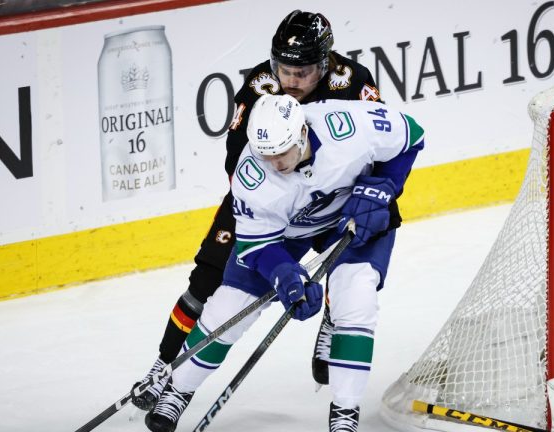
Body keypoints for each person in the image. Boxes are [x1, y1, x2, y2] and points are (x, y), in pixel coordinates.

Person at [131, 9, 386, 411]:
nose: (291, 81)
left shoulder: (353, 82)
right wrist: (269, 197)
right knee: (208, 280)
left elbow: (377, 143)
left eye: (302, 72)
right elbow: (236, 158)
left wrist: (366, 193)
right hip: (267, 203)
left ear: (324, 63)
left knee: (357, 256)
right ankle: (166, 366)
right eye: (285, 70)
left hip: (331, 200)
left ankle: (334, 318)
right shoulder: (259, 85)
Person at [144, 94, 424, 432]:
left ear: (302, 132)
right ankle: (178, 390)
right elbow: (257, 244)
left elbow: (412, 135)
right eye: (267, 154)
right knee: (228, 310)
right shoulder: (251, 175)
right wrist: (285, 276)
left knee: (356, 298)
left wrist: (384, 187)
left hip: (351, 219)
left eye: (282, 152)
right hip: (285, 234)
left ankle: (345, 413)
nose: (275, 162)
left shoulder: (350, 126)